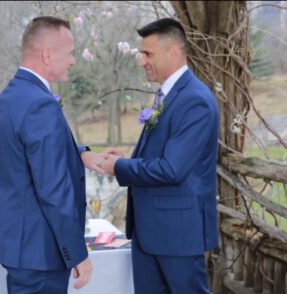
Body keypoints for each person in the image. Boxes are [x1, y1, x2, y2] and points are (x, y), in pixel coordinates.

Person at [101, 18, 219, 293]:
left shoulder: (195, 100)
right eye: (142, 53)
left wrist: (120, 166)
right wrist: (128, 158)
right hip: (150, 231)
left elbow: (172, 168)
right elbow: (163, 153)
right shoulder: (168, 96)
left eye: (148, 54)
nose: (142, 60)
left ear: (173, 53)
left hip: (176, 235)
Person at [0, 16, 103, 293]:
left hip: (21, 247)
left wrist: (79, 153)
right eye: (70, 52)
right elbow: (53, 189)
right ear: (47, 54)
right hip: (40, 252)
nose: (74, 60)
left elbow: (28, 153)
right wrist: (77, 253)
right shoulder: (40, 104)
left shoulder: (12, 96)